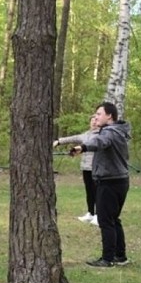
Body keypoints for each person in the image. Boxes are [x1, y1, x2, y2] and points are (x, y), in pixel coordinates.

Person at [69, 101, 131, 268]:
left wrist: (83, 147)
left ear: (109, 116)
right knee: (113, 219)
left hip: (110, 182)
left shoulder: (109, 132)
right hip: (120, 181)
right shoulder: (118, 131)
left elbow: (99, 143)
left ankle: (108, 259)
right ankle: (120, 256)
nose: (96, 117)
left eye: (98, 114)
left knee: (105, 220)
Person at [53, 114, 99, 226]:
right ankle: (90, 213)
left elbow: (92, 145)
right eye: (92, 120)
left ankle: (99, 215)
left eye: (95, 120)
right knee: (89, 192)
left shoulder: (101, 135)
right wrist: (58, 141)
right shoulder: (85, 135)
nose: (93, 122)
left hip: (97, 168)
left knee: (98, 192)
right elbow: (72, 138)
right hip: (85, 168)